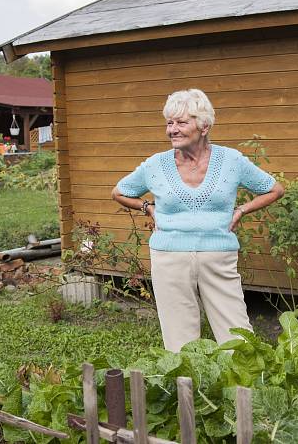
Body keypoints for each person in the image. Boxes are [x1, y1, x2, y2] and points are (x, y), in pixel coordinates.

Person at [111, 89, 284, 352]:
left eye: (181, 122)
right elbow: (119, 192)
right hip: (169, 257)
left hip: (218, 257)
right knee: (179, 339)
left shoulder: (231, 160)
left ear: (204, 126)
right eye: (169, 123)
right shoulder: (156, 165)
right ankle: (188, 389)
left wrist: (241, 210)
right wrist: (148, 207)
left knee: (236, 335)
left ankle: (245, 389)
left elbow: (274, 189)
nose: (172, 130)